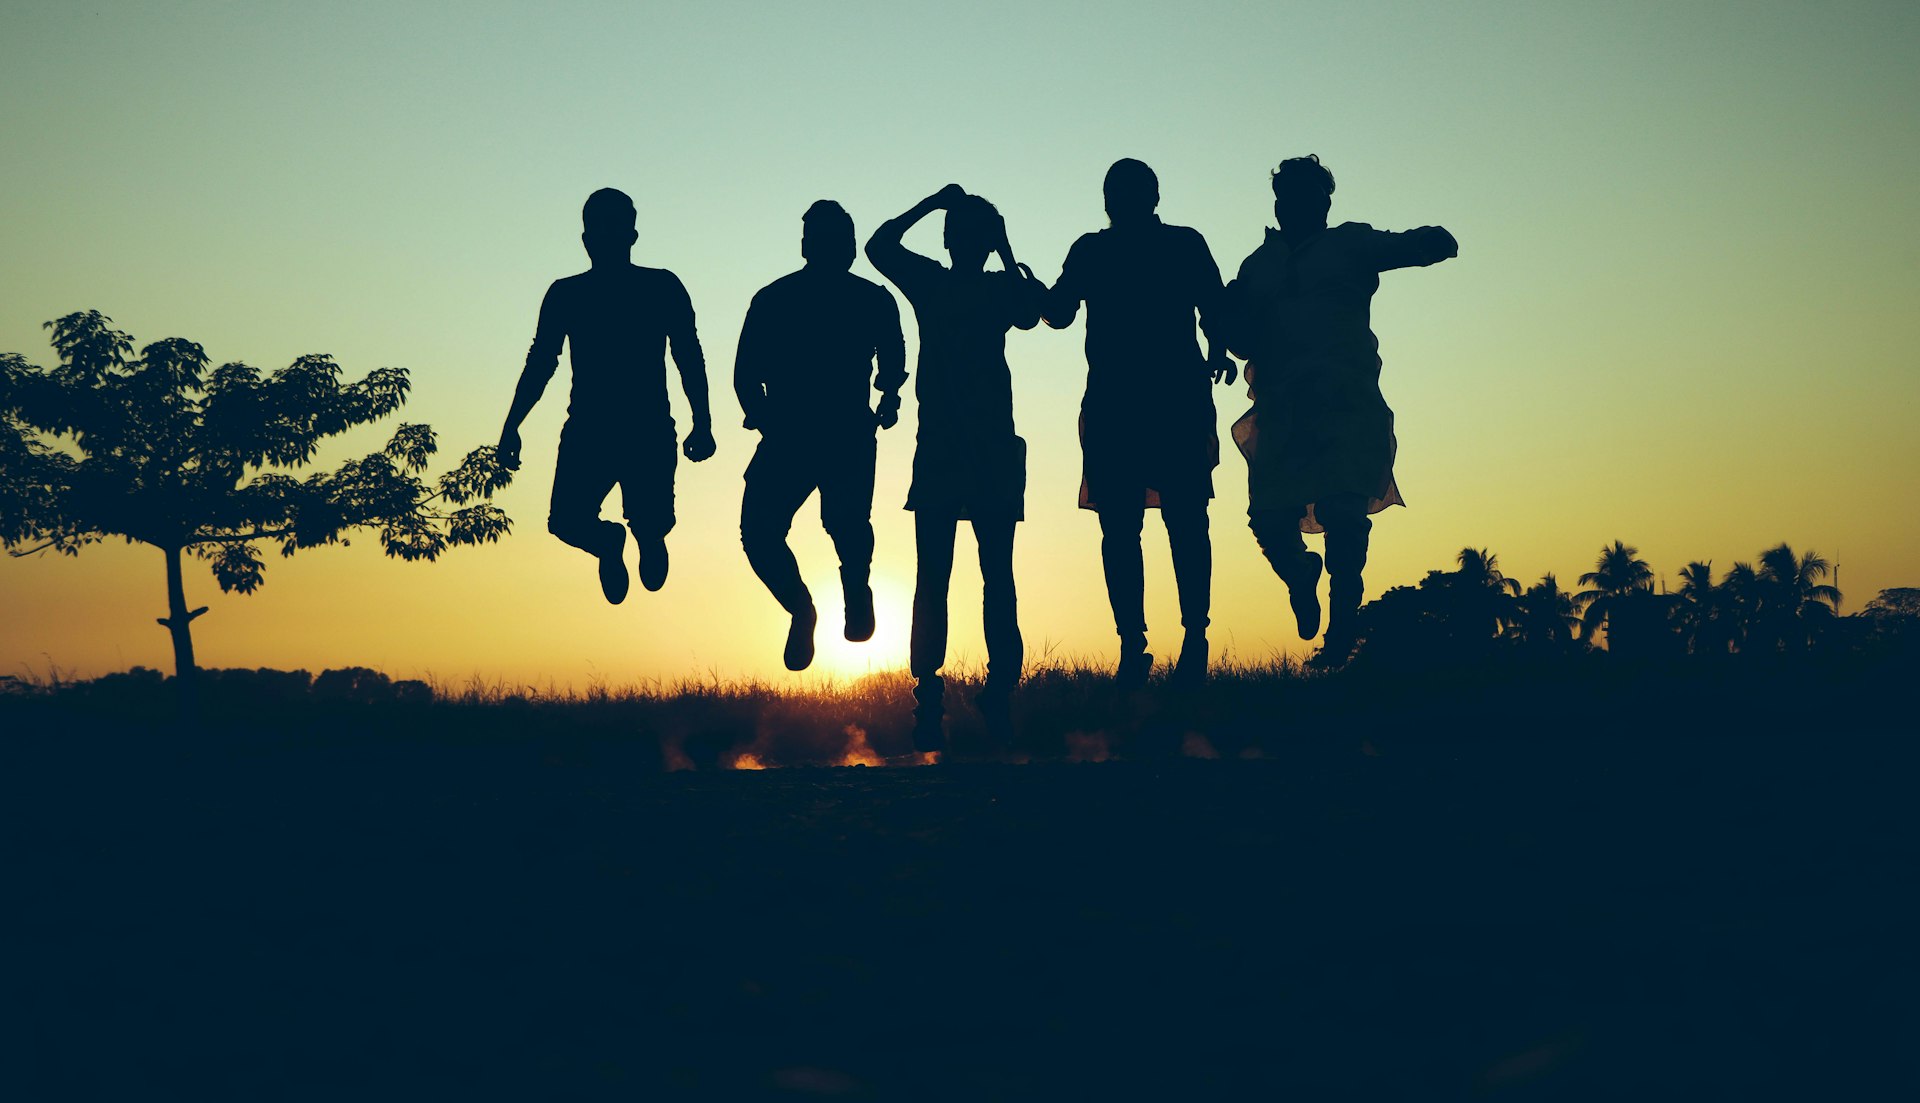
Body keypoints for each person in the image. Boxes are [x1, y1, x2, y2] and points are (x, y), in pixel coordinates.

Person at [1222, 155, 1457, 665]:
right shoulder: (1258, 266)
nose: (1298, 207)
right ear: (1278, 203)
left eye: (1310, 197)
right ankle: (1299, 573)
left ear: (1325, 203)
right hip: (1282, 408)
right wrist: (1222, 323)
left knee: (1344, 518)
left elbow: (1414, 245)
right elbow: (1241, 340)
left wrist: (1428, 242)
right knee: (1269, 519)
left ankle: (1341, 633)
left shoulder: (1350, 244)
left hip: (1345, 404)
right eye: (1289, 198)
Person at [1042, 158, 1237, 688]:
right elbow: (1215, 310)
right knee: (1178, 524)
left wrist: (1218, 347)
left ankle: (1145, 644)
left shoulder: (1094, 251)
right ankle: (1180, 639)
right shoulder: (1180, 244)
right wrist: (1218, 348)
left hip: (1128, 404)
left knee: (1132, 529)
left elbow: (1057, 312)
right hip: (1163, 401)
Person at [866, 184, 1045, 750]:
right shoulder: (988, 288)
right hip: (978, 448)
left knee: (939, 577)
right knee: (992, 576)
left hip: (955, 448)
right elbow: (1031, 311)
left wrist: (933, 205)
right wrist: (1004, 248)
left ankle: (936, 701)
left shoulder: (936, 284)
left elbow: (879, 245)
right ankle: (987, 696)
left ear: (949, 239)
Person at [497, 187, 715, 603]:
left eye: (614, 229)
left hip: (646, 429)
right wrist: (512, 425)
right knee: (566, 522)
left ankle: (648, 537)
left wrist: (702, 422)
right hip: (590, 429)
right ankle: (609, 542)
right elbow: (541, 362)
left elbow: (689, 355)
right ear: (586, 239)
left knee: (651, 522)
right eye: (599, 230)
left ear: (631, 236)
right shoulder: (566, 294)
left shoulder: (661, 286)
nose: (606, 239)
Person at [735, 200, 907, 671]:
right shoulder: (777, 299)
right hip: (798, 434)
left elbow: (893, 358)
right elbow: (745, 374)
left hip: (836, 432)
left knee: (841, 524)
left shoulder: (867, 299)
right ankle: (806, 607)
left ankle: (850, 589)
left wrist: (889, 397)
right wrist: (764, 417)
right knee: (766, 531)